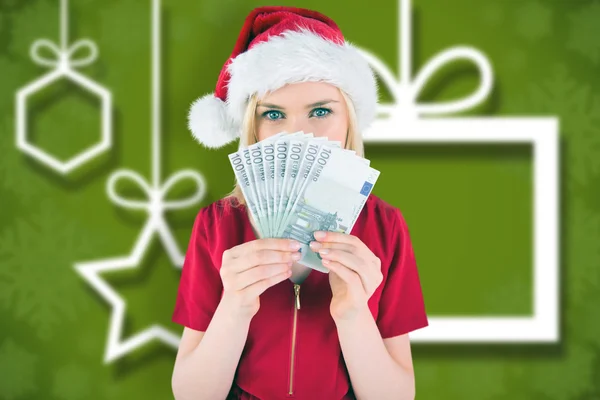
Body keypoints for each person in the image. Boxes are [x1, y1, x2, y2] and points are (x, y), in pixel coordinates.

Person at [171, 6, 429, 400]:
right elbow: (192, 394)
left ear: (350, 121)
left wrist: (353, 314)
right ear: (251, 128)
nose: (297, 135)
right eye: (273, 114)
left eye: (321, 111)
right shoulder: (217, 225)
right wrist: (235, 306)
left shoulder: (385, 227)